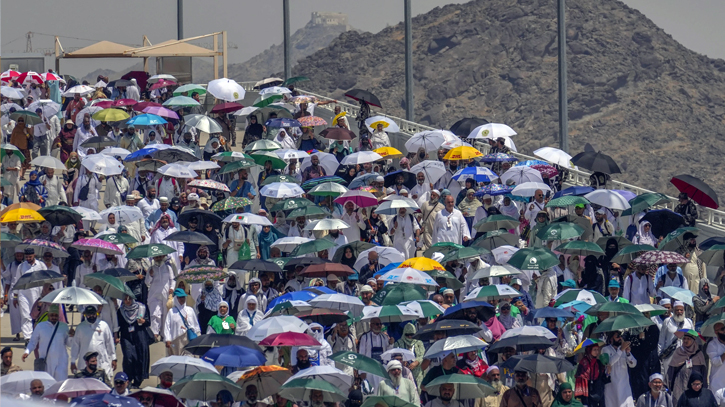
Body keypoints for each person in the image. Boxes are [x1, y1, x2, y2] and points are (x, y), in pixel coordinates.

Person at [22, 304, 70, 381]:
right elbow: (33, 341)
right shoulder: (40, 326)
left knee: (61, 384)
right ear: (48, 315)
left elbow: (69, 343)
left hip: (61, 361)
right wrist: (27, 352)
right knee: (47, 384)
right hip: (46, 360)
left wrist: (71, 336)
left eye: (56, 315)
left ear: (58, 316)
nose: (54, 317)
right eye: (52, 315)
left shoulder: (64, 327)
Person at [69, 305, 116, 383]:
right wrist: (73, 361)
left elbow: (109, 342)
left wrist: (114, 358)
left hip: (101, 362)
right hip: (85, 364)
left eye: (93, 314)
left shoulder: (104, 325)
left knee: (105, 385)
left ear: (96, 313)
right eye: (89, 314)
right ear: (85, 315)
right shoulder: (80, 328)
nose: (91, 316)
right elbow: (75, 345)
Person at [116, 293, 150, 388]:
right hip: (126, 337)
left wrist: (143, 321)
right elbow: (118, 325)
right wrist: (116, 335)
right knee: (128, 357)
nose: (127, 301)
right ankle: (128, 379)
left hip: (139, 336)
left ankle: (137, 380)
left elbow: (148, 321)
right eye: (125, 299)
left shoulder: (142, 308)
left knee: (139, 357)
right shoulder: (121, 311)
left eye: (129, 298)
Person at [146, 253, 178, 341]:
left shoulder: (168, 267)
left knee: (165, 314)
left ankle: (164, 334)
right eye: (156, 257)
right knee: (155, 314)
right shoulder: (151, 269)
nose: (158, 258)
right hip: (154, 294)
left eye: (160, 256)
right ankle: (155, 334)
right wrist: (150, 275)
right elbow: (147, 282)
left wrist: (171, 288)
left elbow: (173, 279)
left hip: (166, 294)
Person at [602, 331, 637, 407]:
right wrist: (621, 350)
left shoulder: (623, 350)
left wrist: (627, 353)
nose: (620, 338)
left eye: (620, 336)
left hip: (624, 385)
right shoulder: (605, 349)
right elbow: (609, 362)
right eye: (617, 337)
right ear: (611, 338)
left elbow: (633, 364)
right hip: (612, 385)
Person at [164, 288, 201, 356]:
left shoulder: (190, 310)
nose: (182, 299)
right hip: (175, 340)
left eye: (183, 297)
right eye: (179, 297)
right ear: (175, 298)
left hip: (188, 338)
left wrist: (198, 337)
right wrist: (167, 339)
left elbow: (196, 325)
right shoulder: (171, 312)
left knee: (188, 358)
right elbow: (167, 326)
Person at [575, 343, 606, 407]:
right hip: (587, 391)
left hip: (598, 391)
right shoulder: (584, 362)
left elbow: (603, 376)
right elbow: (580, 378)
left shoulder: (598, 362)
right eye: (594, 350)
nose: (597, 352)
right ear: (589, 350)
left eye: (598, 350)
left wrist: (608, 370)